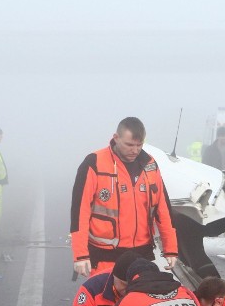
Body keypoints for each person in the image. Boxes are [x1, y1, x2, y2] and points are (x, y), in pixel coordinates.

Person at [70, 117, 179, 278]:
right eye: (129, 145)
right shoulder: (94, 163)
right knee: (105, 302)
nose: (135, 150)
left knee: (138, 303)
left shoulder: (150, 164)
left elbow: (163, 209)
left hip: (142, 256)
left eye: (139, 145)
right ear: (116, 138)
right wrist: (80, 255)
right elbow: (80, 211)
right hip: (105, 257)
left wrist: (171, 249)